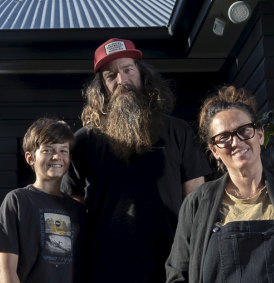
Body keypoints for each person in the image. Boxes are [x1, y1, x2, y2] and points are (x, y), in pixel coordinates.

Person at [61, 38, 211, 283]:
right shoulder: (83, 142)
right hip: (103, 269)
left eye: (127, 69)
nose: (121, 80)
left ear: (142, 74)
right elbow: (71, 211)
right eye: (111, 76)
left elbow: (198, 202)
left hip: (171, 267)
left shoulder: (178, 131)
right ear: (101, 88)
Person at [165, 86, 274, 282]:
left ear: (260, 134)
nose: (236, 142)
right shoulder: (197, 203)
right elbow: (178, 274)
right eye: (224, 138)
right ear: (215, 151)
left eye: (244, 131)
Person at [0, 118, 85, 283]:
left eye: (63, 150)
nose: (56, 156)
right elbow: (6, 271)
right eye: (48, 150)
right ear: (30, 158)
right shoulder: (17, 201)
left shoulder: (78, 210)